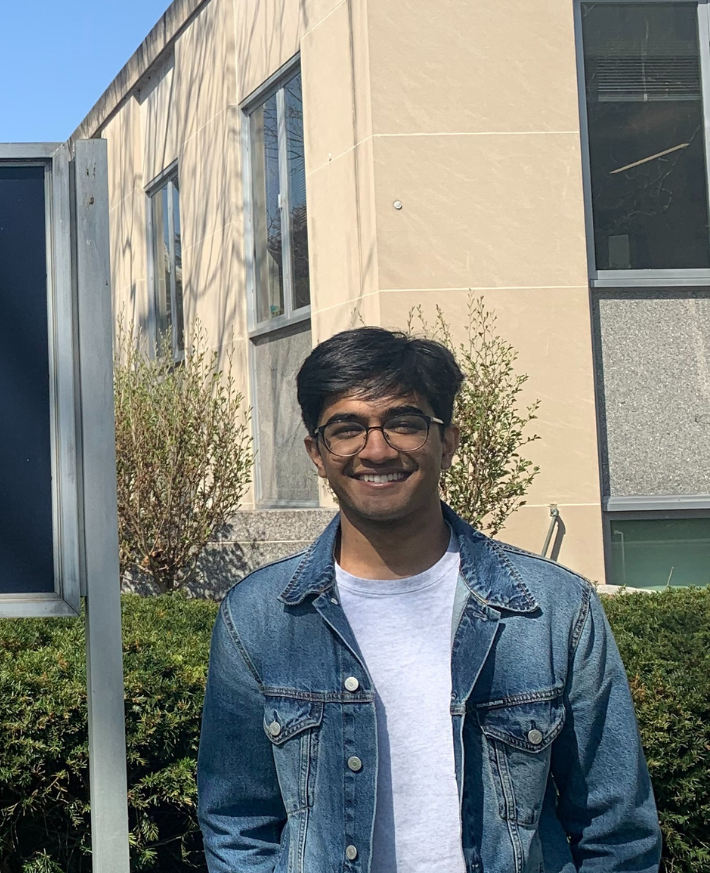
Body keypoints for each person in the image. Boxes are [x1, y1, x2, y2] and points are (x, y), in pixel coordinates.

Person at [195, 327, 660, 873]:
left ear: (447, 440)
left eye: (404, 423)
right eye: (346, 428)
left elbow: (617, 832)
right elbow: (237, 824)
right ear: (316, 454)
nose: (376, 449)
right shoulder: (260, 617)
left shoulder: (553, 610)